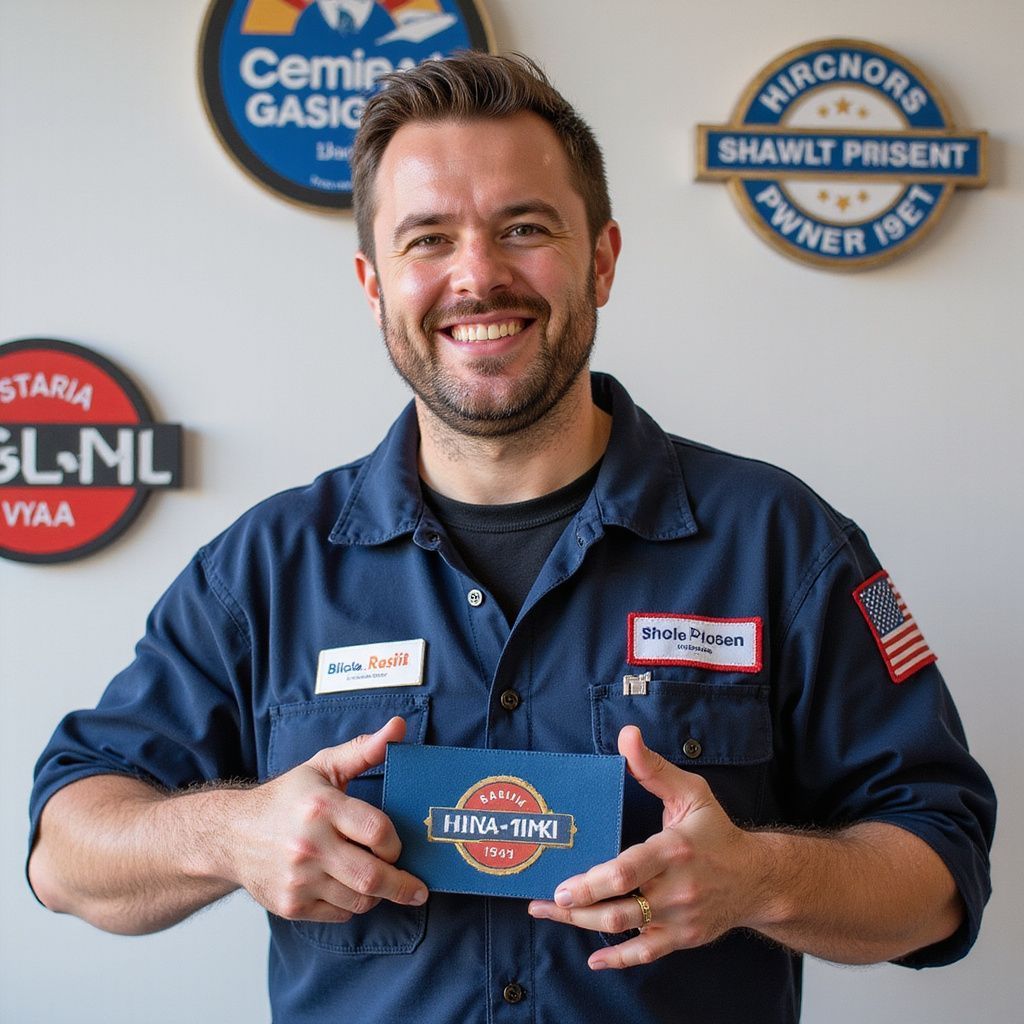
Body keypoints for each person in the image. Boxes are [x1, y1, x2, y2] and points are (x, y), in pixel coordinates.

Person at [28, 52, 995, 1024]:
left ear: (602, 257)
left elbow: (938, 871)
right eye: (428, 239)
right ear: (373, 282)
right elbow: (67, 853)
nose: (477, 275)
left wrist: (762, 879)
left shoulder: (777, 540)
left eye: (523, 228)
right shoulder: (266, 567)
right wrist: (230, 833)